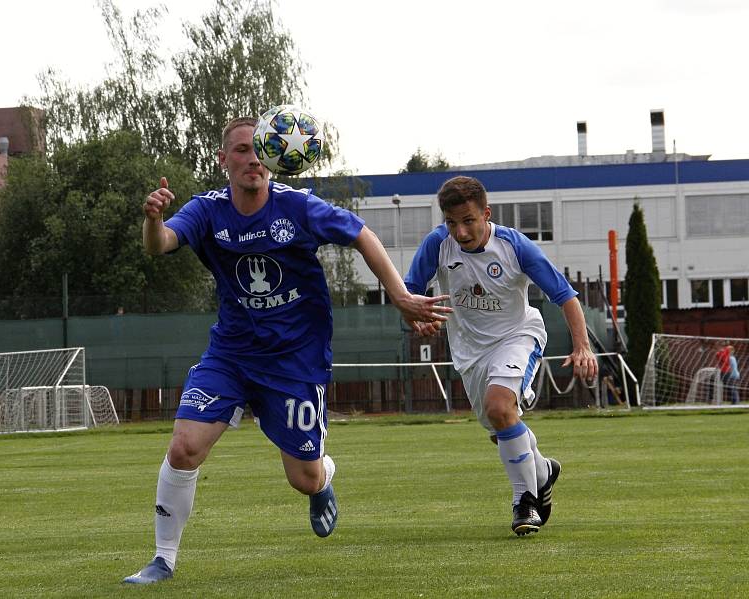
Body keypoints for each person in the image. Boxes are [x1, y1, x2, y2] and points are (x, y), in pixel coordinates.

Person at [123, 117, 451, 584]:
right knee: (183, 448)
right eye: (240, 150)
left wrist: (399, 295)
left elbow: (362, 234)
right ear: (224, 160)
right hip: (231, 355)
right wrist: (152, 220)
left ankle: (323, 476)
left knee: (304, 479)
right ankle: (163, 559)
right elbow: (161, 245)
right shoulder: (207, 211)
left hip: (296, 360)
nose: (252, 158)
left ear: (275, 159)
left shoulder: (297, 207)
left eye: (259, 150)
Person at [403, 176, 598, 536]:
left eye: (468, 221)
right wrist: (417, 317)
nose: (460, 232)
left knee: (499, 408)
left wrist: (582, 345)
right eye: (451, 223)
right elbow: (409, 293)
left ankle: (524, 502)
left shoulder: (514, 245)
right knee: (501, 428)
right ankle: (542, 471)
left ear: (486, 214)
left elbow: (565, 295)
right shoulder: (437, 245)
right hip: (469, 353)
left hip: (517, 336)